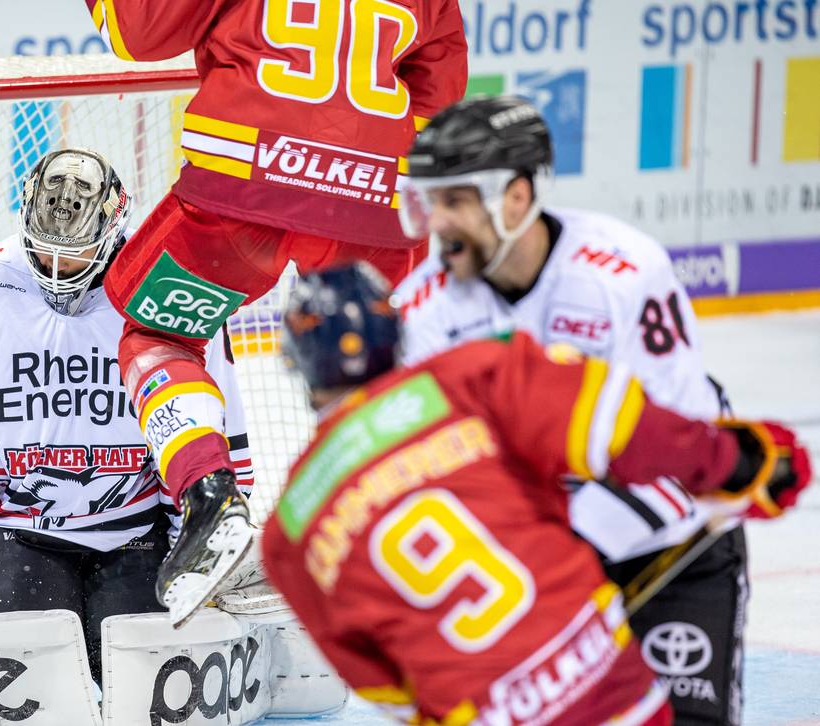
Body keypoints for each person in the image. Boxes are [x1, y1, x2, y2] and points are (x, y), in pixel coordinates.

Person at [260, 264, 810, 726]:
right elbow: (625, 427)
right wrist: (743, 463)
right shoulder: (467, 376)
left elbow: (379, 682)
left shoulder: (288, 531)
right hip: (609, 692)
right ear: (397, 333)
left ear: (296, 361)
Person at [83, 0, 469, 620]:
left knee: (158, 337)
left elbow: (138, 34)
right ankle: (401, 526)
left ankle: (208, 495)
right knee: (365, 363)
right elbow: (438, 90)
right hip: (375, 197)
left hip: (248, 179)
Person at [392, 94, 768, 723]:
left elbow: (682, 450)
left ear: (515, 198)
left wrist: (551, 562)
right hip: (544, 566)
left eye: (455, 200)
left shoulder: (621, 275)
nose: (438, 223)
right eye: (430, 202)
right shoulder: (423, 308)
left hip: (676, 547)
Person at [0, 148, 253, 682]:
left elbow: (205, 435)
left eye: (77, 254)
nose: (59, 270)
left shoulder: (170, 293)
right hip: (21, 533)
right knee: (28, 681)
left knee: (141, 686)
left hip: (137, 533)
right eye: (44, 255)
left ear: (113, 231)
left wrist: (199, 543)